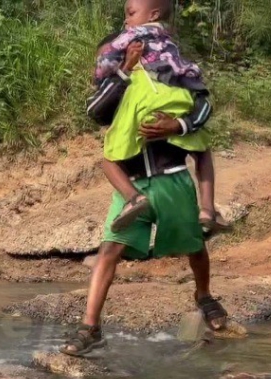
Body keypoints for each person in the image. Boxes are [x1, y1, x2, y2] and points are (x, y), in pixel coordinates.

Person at [59, 38, 228, 357]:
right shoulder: (114, 89)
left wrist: (177, 124)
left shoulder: (170, 82)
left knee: (194, 245)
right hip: (131, 184)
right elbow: (96, 111)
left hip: (172, 177)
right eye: (104, 62)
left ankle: (204, 296)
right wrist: (123, 71)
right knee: (109, 249)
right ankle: (90, 327)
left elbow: (202, 110)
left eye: (111, 58)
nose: (104, 66)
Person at [87, 3, 227, 235]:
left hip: (157, 150)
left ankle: (133, 198)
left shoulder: (134, 52)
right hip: (170, 122)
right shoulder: (167, 49)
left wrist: (179, 125)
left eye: (130, 14)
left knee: (109, 159)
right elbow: (95, 109)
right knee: (202, 150)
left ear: (153, 15)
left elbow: (97, 101)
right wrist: (183, 123)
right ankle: (207, 209)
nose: (126, 21)